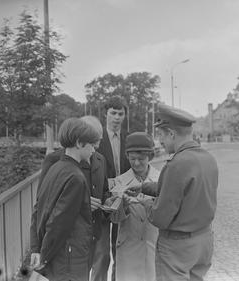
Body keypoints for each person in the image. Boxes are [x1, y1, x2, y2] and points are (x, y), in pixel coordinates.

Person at [133, 103, 218, 281]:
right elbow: (184, 189)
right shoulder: (207, 158)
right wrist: (143, 187)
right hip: (203, 241)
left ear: (171, 134)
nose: (161, 141)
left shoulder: (176, 165)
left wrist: (143, 201)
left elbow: (160, 217)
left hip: (178, 248)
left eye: (161, 135)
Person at [30, 115, 109, 272]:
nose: (96, 148)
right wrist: (41, 252)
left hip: (85, 242)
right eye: (93, 143)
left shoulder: (60, 167)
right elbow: (51, 215)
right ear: (79, 141)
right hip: (69, 250)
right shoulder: (71, 174)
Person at [108, 132, 159, 281]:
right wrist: (123, 206)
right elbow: (114, 218)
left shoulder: (162, 178)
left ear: (150, 156)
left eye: (141, 159)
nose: (136, 163)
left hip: (154, 245)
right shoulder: (120, 181)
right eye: (132, 159)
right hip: (128, 246)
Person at [92, 96, 130, 281]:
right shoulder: (97, 139)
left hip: (122, 201)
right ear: (105, 114)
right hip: (100, 201)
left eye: (120, 114)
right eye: (113, 113)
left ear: (124, 116)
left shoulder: (129, 139)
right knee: (101, 254)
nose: (116, 117)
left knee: (120, 250)